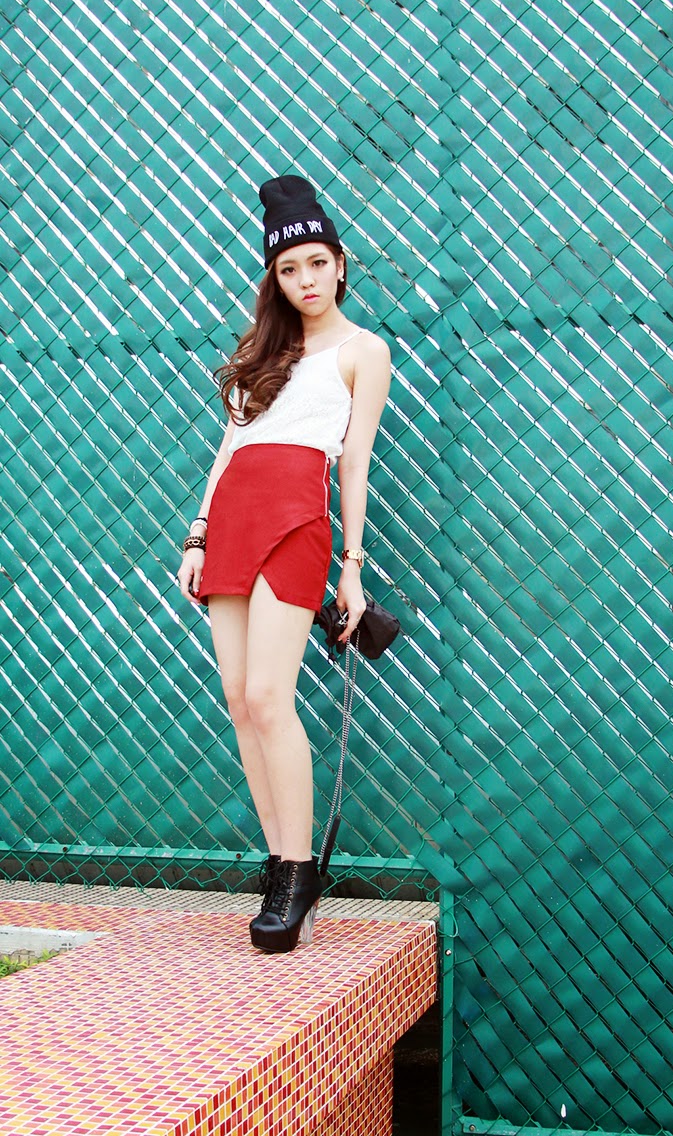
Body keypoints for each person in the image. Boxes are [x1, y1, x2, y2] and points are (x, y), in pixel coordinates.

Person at [176, 175, 391, 953]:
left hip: (297, 517)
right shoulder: (260, 352)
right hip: (233, 514)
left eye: (316, 263)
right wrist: (198, 534)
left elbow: (354, 462)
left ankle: (301, 873)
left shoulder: (364, 351)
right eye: (289, 269)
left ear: (341, 263)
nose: (305, 280)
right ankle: (278, 861)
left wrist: (353, 567)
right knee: (240, 699)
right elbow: (228, 447)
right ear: (275, 276)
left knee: (271, 695)